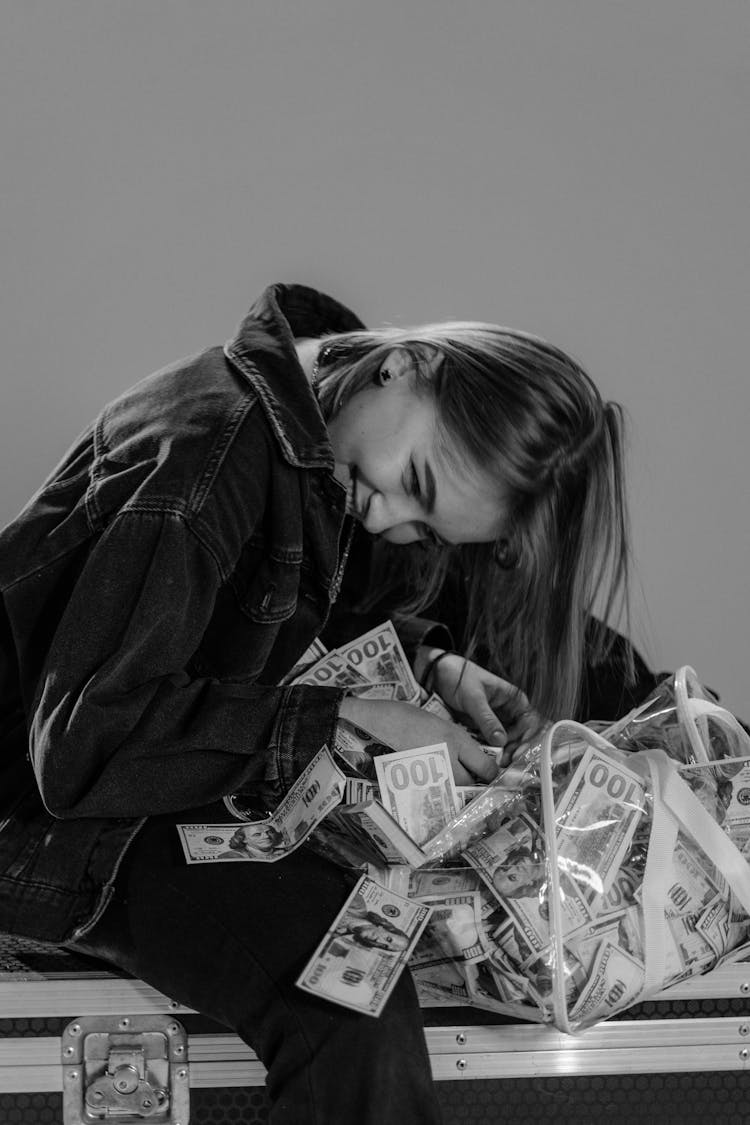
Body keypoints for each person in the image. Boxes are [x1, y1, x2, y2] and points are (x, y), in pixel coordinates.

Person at [0, 282, 635, 1124]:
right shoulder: (204, 460)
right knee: (351, 1003)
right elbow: (84, 750)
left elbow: (280, 615)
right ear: (404, 366)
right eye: (411, 479)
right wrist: (340, 718)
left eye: (428, 523)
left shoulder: (325, 431)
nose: (390, 513)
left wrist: (432, 661)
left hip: (172, 784)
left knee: (556, 676)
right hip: (54, 824)